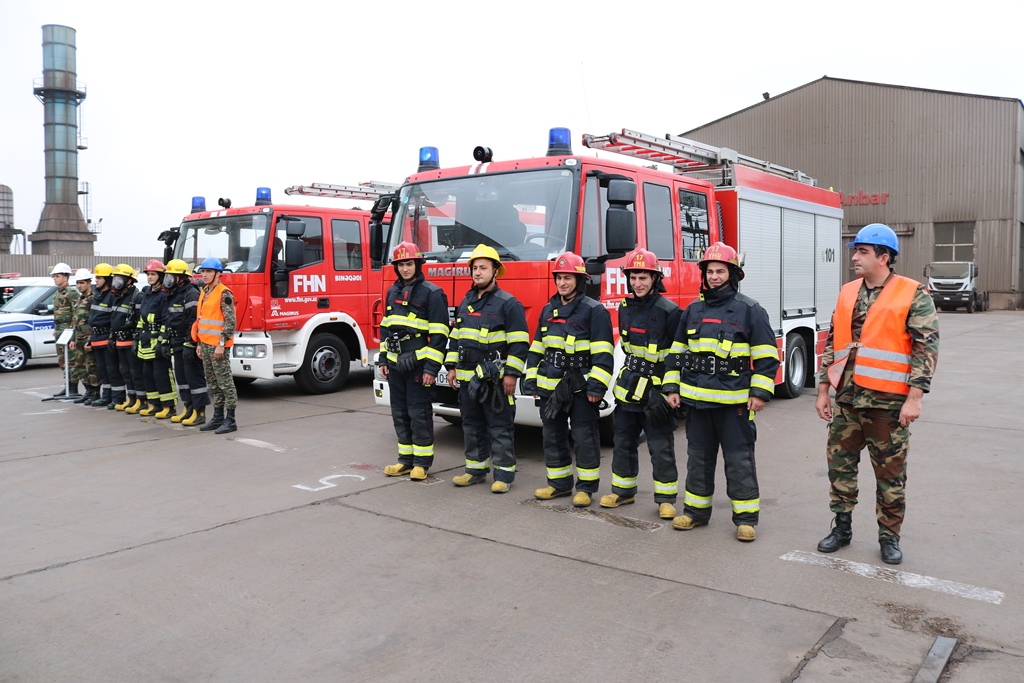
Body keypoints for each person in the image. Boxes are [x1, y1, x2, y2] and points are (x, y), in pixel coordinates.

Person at [815, 224, 939, 565]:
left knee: (890, 475)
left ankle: (889, 537)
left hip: (887, 404)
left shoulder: (913, 294)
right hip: (847, 400)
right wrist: (823, 389)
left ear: (884, 257)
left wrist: (915, 398)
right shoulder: (847, 292)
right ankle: (841, 528)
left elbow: (925, 348)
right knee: (840, 468)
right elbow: (832, 343)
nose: (854, 257)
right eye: (855, 251)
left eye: (862, 252)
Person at [664, 243, 780, 542]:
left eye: (720, 271)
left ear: (733, 274)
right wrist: (671, 387)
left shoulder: (750, 310)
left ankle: (745, 519)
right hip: (698, 403)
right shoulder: (692, 311)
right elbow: (676, 353)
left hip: (735, 405)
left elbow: (767, 357)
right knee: (698, 459)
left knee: (738, 460)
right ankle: (695, 513)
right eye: (710, 271)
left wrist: (760, 393)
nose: (714, 277)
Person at [524, 252, 614, 507]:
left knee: (585, 437)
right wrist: (531, 382)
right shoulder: (547, 310)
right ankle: (559, 484)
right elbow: (537, 349)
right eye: (559, 278)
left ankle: (585, 488)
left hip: (582, 388)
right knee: (552, 435)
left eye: (568, 278)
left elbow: (603, 354)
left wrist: (596, 387)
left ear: (579, 280)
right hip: (550, 387)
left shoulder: (594, 311)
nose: (563, 283)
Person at [600, 248, 682, 519]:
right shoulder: (624, 307)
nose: (638, 282)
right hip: (628, 389)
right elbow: (626, 349)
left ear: (655, 279)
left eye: (644, 277)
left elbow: (676, 355)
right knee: (623, 442)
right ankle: (624, 492)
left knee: (660, 448)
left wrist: (668, 390)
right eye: (634, 277)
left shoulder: (670, 312)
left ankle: (666, 499)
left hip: (656, 392)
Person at [445, 244, 529, 493]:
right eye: (474, 268)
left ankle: (503, 476)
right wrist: (451, 367)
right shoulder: (467, 300)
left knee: (500, 428)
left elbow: (519, 343)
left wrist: (511, 374)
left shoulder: (508, 304)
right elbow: (455, 337)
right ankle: (475, 471)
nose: (477, 272)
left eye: (483, 268)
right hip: (468, 380)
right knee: (471, 426)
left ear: (495, 272)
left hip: (495, 381)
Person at [379, 242, 450, 480]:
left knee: (419, 413)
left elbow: (440, 335)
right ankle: (405, 461)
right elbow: (385, 328)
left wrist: (431, 367)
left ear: (418, 264)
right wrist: (383, 360)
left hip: (419, 365)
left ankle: (422, 463)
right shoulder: (392, 292)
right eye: (400, 265)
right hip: (396, 364)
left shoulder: (432, 293)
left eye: (409, 263)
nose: (405, 269)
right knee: (400, 413)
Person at [192, 257, 238, 434]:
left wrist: (221, 345)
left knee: (225, 383)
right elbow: (203, 320)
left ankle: (231, 420)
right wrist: (199, 343)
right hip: (205, 344)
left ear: (218, 274)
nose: (204, 274)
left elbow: (230, 322)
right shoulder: (205, 291)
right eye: (203, 271)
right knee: (213, 384)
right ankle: (218, 417)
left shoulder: (224, 293)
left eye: (209, 271)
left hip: (218, 346)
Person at [163, 259, 209, 426]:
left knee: (194, 378)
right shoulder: (173, 294)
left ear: (181, 278)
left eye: (171, 276)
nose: (167, 279)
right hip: (176, 342)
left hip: (187, 342)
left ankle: (200, 412)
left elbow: (194, 321)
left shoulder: (191, 293)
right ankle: (188, 409)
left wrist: (191, 343)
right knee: (181, 379)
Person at [135, 260, 175, 417]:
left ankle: (169, 406)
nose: (150, 277)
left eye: (153, 274)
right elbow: (141, 318)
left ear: (160, 276)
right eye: (148, 274)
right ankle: (155, 404)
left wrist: (163, 340)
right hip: (145, 342)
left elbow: (166, 319)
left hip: (157, 341)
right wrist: (137, 337)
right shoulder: (147, 294)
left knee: (162, 375)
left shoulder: (164, 295)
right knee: (148, 375)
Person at [110, 264, 144, 412]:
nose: (116, 282)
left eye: (120, 279)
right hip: (120, 341)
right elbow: (114, 318)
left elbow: (139, 320)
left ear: (129, 281)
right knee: (125, 371)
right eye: (115, 279)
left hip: (130, 340)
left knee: (135, 372)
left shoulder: (137, 297)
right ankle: (131, 398)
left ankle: (140, 401)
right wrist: (112, 336)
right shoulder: (117, 297)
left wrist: (136, 339)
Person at [84, 263, 116, 407]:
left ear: (108, 279)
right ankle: (106, 396)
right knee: (102, 370)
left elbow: (113, 320)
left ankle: (115, 398)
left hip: (106, 338)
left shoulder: (112, 296)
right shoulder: (98, 295)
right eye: (96, 278)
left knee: (112, 370)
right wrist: (91, 339)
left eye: (99, 278)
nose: (96, 281)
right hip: (96, 338)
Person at [67, 269, 99, 404]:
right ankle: (88, 391)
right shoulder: (79, 299)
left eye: (82, 283)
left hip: (88, 337)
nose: (79, 286)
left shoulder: (94, 298)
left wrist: (91, 340)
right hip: (78, 337)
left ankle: (96, 392)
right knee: (80, 367)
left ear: (89, 283)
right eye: (77, 283)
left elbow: (95, 320)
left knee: (91, 366)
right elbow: (75, 320)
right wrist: (73, 339)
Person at [49, 262, 80, 397]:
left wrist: (72, 332)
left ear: (65, 278)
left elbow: (76, 313)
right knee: (62, 359)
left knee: (71, 359)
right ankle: (67, 386)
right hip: (60, 329)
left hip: (68, 329)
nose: (55, 278)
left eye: (57, 276)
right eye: (54, 276)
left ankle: (73, 388)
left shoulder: (71, 293)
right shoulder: (57, 293)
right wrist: (56, 329)